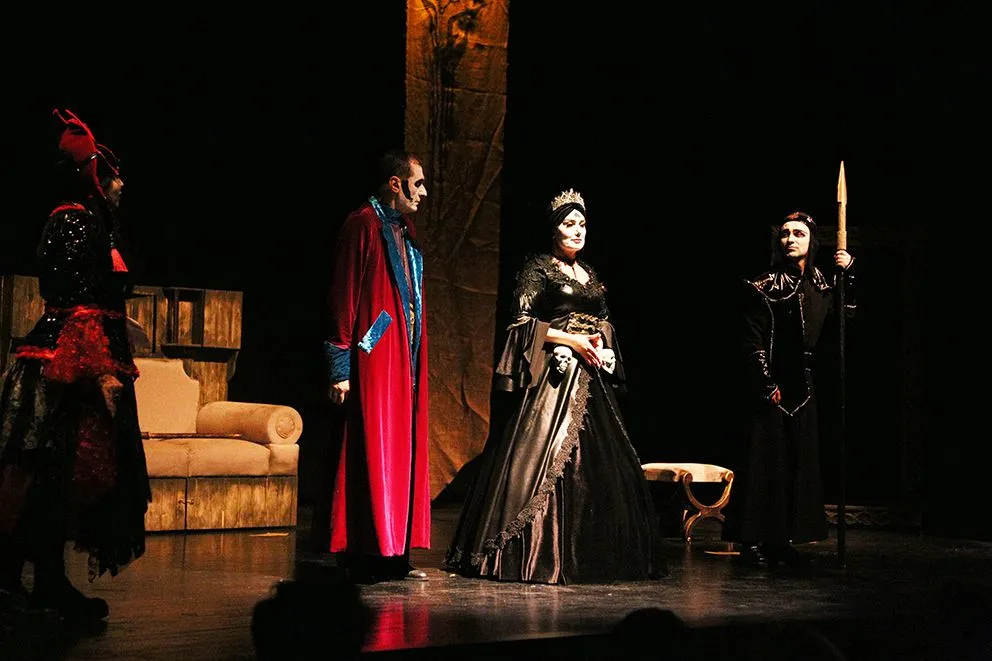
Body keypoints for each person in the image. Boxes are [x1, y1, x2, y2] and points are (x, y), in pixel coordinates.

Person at [444, 188, 665, 584]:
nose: (577, 231)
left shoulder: (589, 274)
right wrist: (570, 340)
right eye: (568, 224)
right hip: (554, 375)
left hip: (591, 374)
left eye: (582, 224)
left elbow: (604, 318)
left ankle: (594, 554)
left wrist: (599, 339)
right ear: (553, 230)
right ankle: (529, 552)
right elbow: (521, 323)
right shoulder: (539, 269)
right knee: (539, 459)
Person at [0, 109, 150, 621]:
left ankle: (41, 580)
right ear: (93, 177)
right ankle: (24, 582)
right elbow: (70, 300)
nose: (121, 185)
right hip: (62, 369)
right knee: (44, 474)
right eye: (113, 176)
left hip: (76, 362)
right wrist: (99, 369)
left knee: (56, 479)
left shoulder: (92, 223)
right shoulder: (72, 219)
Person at [722, 211, 856, 568]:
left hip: (804, 386)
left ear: (812, 241)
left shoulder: (821, 284)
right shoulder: (763, 285)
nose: (790, 239)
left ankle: (781, 540)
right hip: (771, 384)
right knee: (765, 461)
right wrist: (765, 382)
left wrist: (847, 275)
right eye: (785, 233)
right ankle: (752, 541)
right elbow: (751, 340)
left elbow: (844, 321)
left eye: (799, 233)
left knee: (796, 463)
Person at [322, 151, 430, 582]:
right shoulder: (362, 225)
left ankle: (395, 550)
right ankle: (364, 551)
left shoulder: (403, 228)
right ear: (395, 183)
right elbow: (343, 295)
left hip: (403, 352)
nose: (423, 192)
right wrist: (341, 364)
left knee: (400, 448)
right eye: (417, 183)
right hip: (375, 352)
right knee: (372, 446)